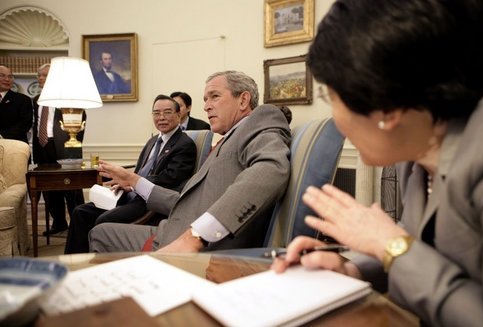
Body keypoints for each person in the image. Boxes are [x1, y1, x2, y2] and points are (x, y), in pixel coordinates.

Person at [272, 0, 483, 326]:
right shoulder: (421, 139)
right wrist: (352, 267)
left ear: (386, 107)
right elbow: (422, 241)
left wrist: (391, 246)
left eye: (330, 95)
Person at [89, 71, 291, 253]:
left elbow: (270, 170)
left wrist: (197, 236)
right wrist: (134, 181)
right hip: (175, 228)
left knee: (100, 234)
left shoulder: (262, 119)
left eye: (215, 96)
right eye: (205, 99)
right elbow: (187, 203)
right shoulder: (228, 138)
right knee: (100, 230)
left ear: (243, 99)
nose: (206, 106)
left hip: (201, 245)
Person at [65, 95, 196, 253]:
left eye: (167, 112)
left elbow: (170, 179)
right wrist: (124, 183)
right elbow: (139, 171)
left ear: (178, 115)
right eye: (156, 113)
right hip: (129, 196)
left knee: (103, 220)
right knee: (80, 212)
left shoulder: (184, 144)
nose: (161, 117)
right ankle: (74, 263)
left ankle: (97, 263)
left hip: (148, 204)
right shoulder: (152, 141)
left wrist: (132, 183)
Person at [32, 63, 87, 235]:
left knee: (72, 188)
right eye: (39, 76)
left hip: (65, 147)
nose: (41, 78)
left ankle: (79, 225)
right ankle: (59, 223)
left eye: (45, 75)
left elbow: (81, 119)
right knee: (49, 188)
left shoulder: (68, 99)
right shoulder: (36, 100)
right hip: (42, 147)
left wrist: (73, 143)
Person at [0, 65, 32, 143]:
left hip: (15, 146)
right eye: (2, 76)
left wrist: (1, 136)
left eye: (10, 77)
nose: (7, 79)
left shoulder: (23, 99)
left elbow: (25, 124)